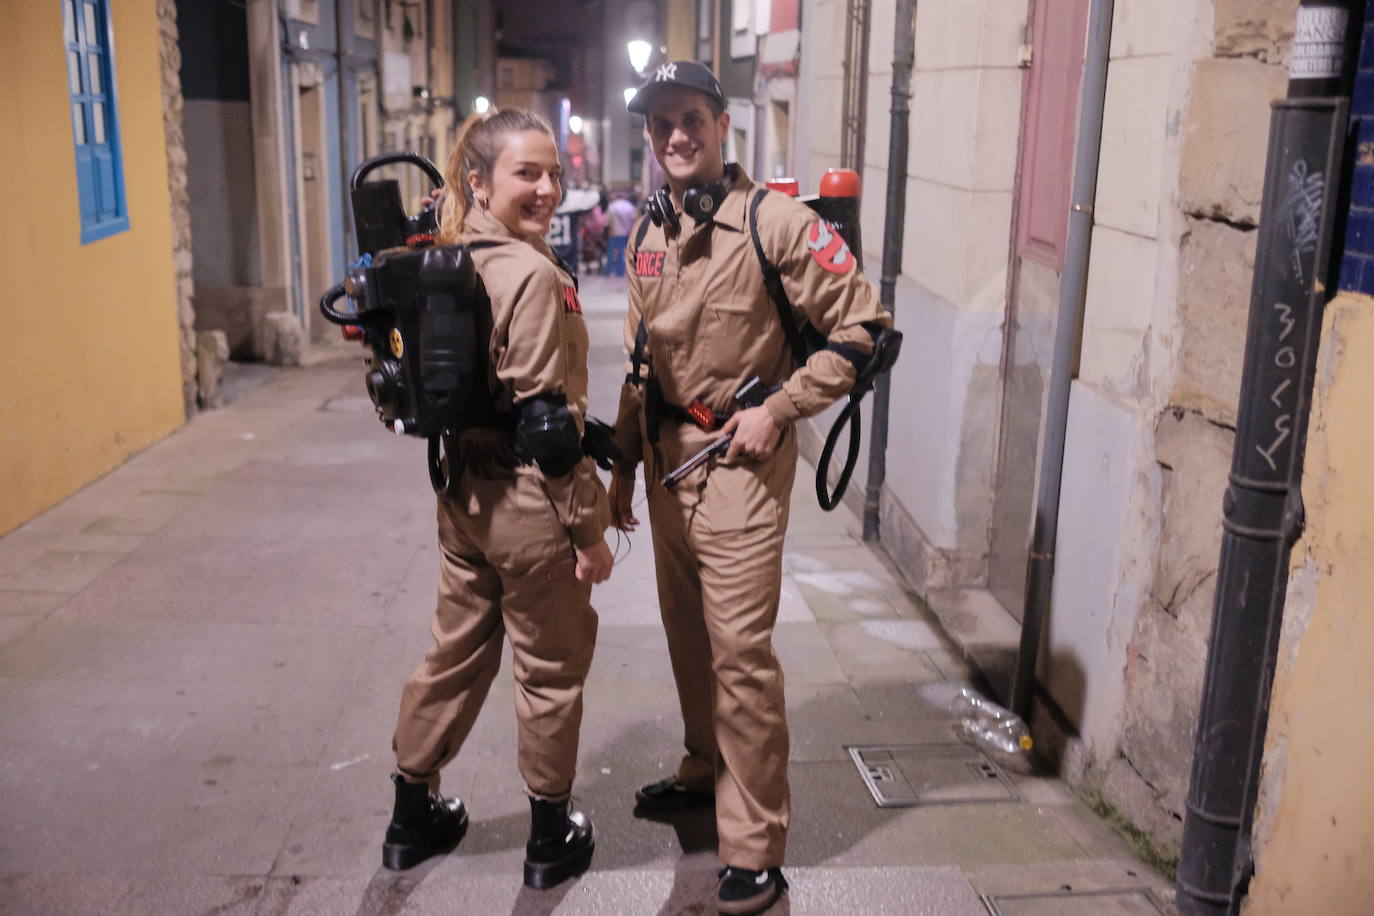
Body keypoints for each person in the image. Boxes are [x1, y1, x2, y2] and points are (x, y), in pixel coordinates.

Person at [609, 62, 892, 916]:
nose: (675, 137)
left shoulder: (778, 223)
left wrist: (785, 408)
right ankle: (704, 770)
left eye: (689, 118)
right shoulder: (647, 232)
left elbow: (867, 325)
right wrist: (622, 465)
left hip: (739, 466)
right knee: (688, 638)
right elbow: (637, 367)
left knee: (741, 658)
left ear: (721, 124)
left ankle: (755, 847)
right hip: (666, 464)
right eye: (661, 125)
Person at [383, 108, 614, 891]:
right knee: (550, 667)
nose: (548, 188)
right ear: (477, 181)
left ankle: (411, 815)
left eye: (554, 172)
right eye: (528, 173)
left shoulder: (443, 257)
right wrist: (589, 532)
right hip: (528, 503)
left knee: (453, 652)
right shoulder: (531, 276)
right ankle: (551, 834)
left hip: (461, 498)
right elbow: (548, 427)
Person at [603, 189, 639, 277]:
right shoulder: (629, 206)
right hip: (625, 234)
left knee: (611, 253)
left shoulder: (612, 206)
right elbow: (635, 218)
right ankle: (620, 271)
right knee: (622, 253)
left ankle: (608, 271)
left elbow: (608, 222)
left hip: (614, 234)